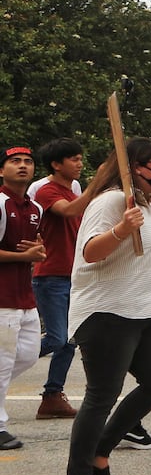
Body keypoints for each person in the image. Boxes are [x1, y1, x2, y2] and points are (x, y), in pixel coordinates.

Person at [60, 138, 151, 475]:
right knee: (101, 395)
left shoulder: (145, 203)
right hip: (107, 311)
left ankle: (100, 453)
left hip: (139, 309)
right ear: (134, 168)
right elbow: (89, 252)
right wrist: (119, 230)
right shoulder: (111, 201)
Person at [30, 139, 96, 420]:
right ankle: (9, 363)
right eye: (73, 159)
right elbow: (68, 211)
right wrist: (98, 184)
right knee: (57, 338)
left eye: (80, 158)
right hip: (50, 276)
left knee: (70, 341)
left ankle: (52, 397)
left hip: (73, 275)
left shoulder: (74, 190)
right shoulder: (46, 190)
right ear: (56, 165)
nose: (79, 164)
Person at [0, 144, 43, 452]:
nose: (23, 166)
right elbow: (20, 253)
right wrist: (25, 256)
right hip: (2, 298)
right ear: (2, 170)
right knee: (2, 364)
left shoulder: (34, 208)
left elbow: (31, 251)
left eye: (27, 161)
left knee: (29, 354)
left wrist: (36, 254)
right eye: (15, 161)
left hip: (25, 296)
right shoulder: (0, 203)